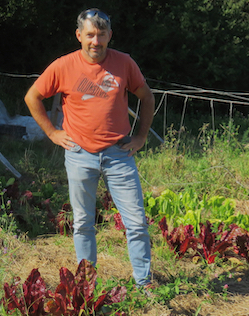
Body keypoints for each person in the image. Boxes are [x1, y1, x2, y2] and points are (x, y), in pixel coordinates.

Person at [24, 8, 155, 289]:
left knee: (136, 222)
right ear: (79, 35)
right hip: (79, 154)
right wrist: (52, 132)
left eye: (102, 34)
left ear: (110, 35)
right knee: (83, 222)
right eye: (90, 35)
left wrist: (140, 137)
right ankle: (87, 286)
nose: (96, 41)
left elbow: (147, 97)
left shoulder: (124, 63)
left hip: (119, 153)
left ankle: (144, 283)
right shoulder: (63, 65)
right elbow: (32, 96)